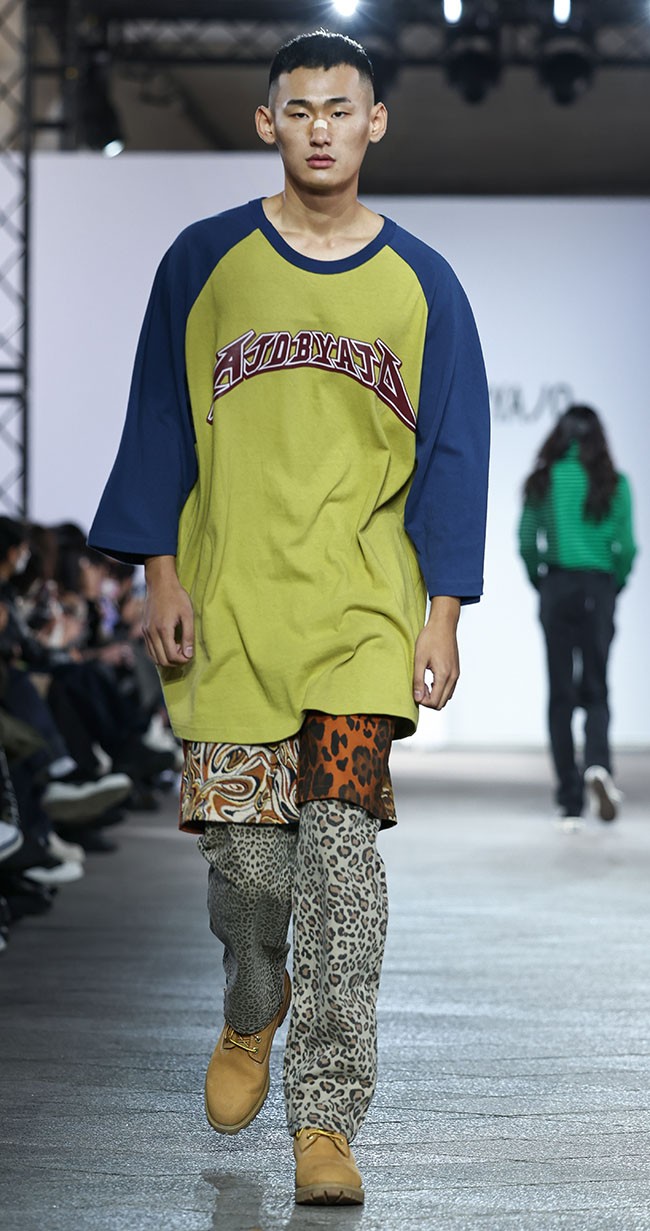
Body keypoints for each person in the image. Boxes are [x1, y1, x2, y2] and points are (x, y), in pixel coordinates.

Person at [89, 29, 490, 1206]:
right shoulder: (203, 260)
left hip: (361, 617)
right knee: (253, 876)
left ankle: (325, 1118)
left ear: (375, 123)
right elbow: (159, 419)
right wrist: (159, 573)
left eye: (340, 108)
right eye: (300, 109)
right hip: (230, 608)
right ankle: (251, 999)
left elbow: (452, 453)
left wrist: (442, 612)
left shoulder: (423, 284)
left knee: (342, 867)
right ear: (267, 122)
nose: (321, 127)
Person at [518, 404, 637, 826]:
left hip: (558, 586)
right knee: (597, 687)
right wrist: (613, 584)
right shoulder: (615, 483)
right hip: (598, 587)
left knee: (560, 695)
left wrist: (541, 580)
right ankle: (598, 765)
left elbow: (527, 540)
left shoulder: (544, 479)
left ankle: (570, 802)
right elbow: (627, 547)